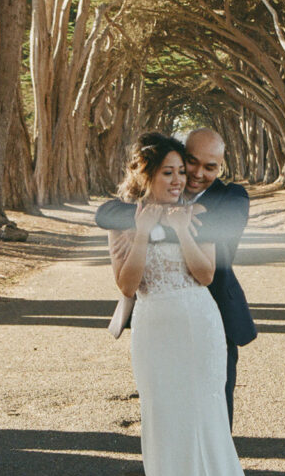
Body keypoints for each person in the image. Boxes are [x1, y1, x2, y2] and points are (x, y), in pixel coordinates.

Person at [106, 132, 285, 476]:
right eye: (171, 172)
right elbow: (127, 285)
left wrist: (180, 230)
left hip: (200, 326)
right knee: (164, 424)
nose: (182, 179)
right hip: (155, 331)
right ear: (148, 174)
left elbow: (205, 273)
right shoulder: (124, 219)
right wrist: (142, 232)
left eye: (186, 171)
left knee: (205, 421)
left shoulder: (205, 211)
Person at [95, 127, 256, 427]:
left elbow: (216, 230)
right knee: (166, 413)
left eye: (210, 167)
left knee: (215, 413)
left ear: (221, 167)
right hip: (158, 322)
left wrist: (160, 221)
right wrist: (155, 216)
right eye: (190, 163)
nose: (195, 174)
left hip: (215, 319)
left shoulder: (232, 198)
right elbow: (105, 214)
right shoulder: (164, 194)